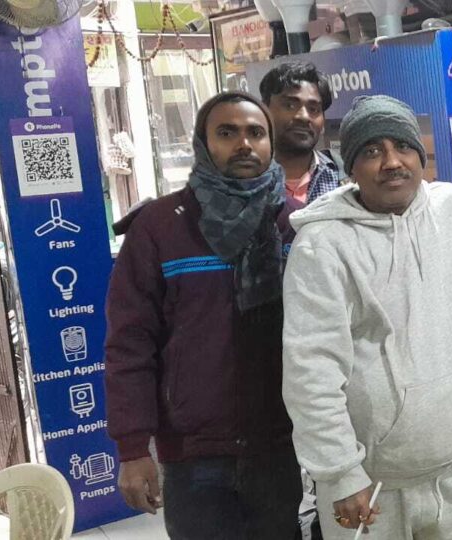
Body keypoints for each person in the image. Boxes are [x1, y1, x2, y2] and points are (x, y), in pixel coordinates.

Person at [281, 95, 452, 539]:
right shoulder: (322, 246)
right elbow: (310, 371)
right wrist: (340, 473)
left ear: (420, 156)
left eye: (403, 147)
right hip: (372, 489)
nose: (392, 162)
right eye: (373, 151)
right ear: (351, 167)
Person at [105, 91, 302, 539]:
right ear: (202, 143)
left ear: (271, 143)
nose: (244, 144)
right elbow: (130, 343)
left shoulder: (295, 224)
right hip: (194, 454)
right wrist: (132, 448)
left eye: (256, 133)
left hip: (279, 443)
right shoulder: (159, 227)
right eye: (227, 133)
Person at [260, 62, 344, 205]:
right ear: (264, 111)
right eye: (290, 105)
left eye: (314, 109)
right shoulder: (244, 180)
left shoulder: (344, 178)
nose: (304, 117)